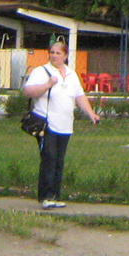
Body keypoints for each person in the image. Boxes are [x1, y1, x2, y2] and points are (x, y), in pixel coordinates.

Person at [22, 37, 100, 209]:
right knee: (48, 158)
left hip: (65, 125)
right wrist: (48, 84)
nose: (54, 56)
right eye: (52, 52)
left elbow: (79, 96)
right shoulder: (42, 71)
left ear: (65, 56)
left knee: (58, 160)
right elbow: (28, 91)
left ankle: (55, 195)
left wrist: (91, 113)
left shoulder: (72, 74)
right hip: (47, 124)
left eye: (58, 53)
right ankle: (46, 196)